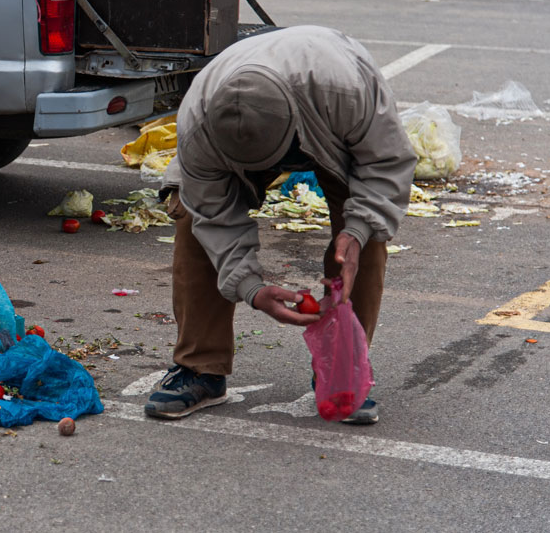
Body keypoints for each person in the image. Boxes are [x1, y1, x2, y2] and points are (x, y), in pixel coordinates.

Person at [145, 25, 416, 425]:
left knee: (365, 235)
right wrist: (251, 288)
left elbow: (386, 164)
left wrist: (357, 230)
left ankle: (341, 372)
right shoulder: (198, 120)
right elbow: (214, 215)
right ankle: (201, 368)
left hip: (327, 123)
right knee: (189, 216)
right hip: (227, 135)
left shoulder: (346, 90)